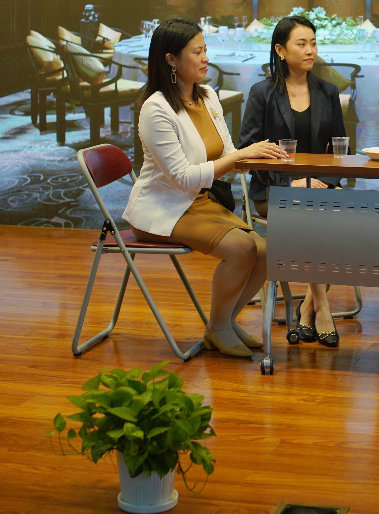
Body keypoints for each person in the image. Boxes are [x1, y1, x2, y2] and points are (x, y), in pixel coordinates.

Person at [123, 18, 288, 359]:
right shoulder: (156, 108)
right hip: (162, 208)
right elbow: (183, 178)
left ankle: (223, 321)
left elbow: (227, 154)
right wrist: (241, 156)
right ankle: (219, 327)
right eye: (196, 52)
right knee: (243, 248)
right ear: (171, 59)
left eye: (205, 50)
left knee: (266, 250)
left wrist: (260, 157)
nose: (205, 58)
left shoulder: (208, 96)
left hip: (198, 202)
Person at [238, 15, 349, 348]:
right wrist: (290, 184)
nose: (310, 50)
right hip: (273, 191)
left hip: (321, 188)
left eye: (313, 43)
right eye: (301, 44)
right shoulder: (262, 93)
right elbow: (248, 151)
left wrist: (322, 180)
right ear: (281, 50)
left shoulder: (328, 91)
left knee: (322, 210)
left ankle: (307, 307)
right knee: (312, 213)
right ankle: (322, 307)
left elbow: (340, 149)